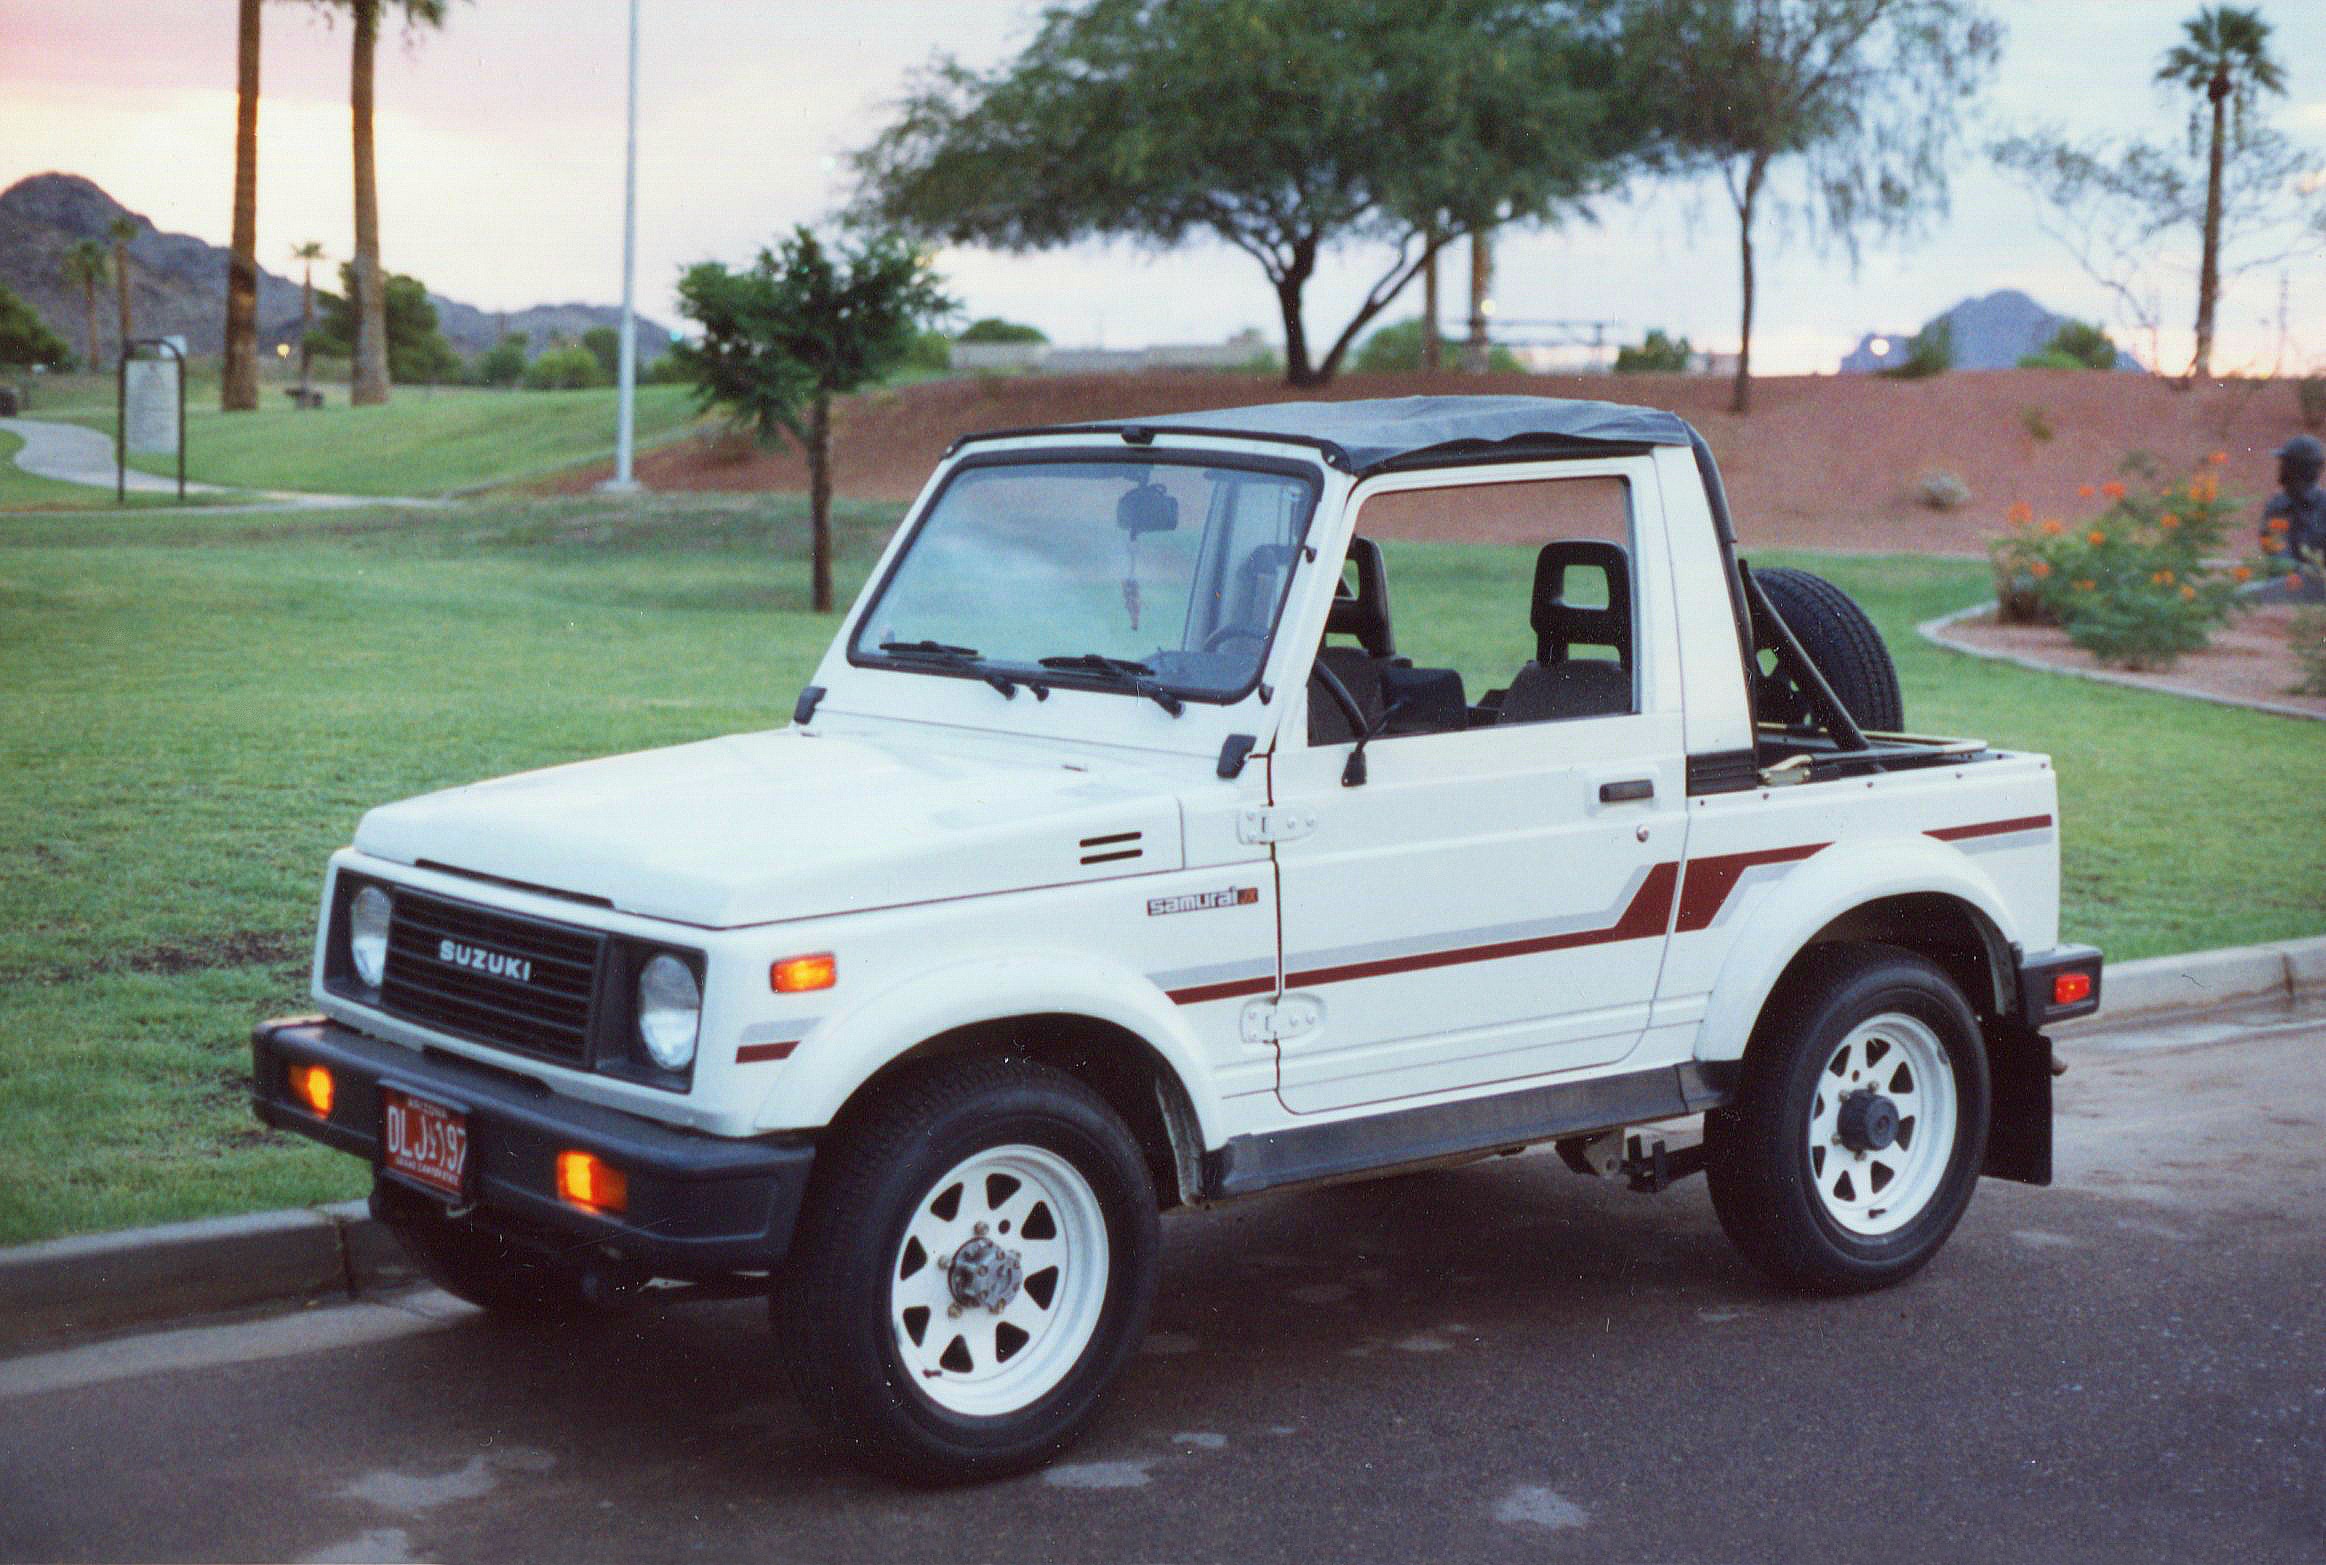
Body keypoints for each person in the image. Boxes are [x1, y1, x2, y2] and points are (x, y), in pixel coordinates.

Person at [2261, 434, 2326, 580]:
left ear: (2298, 469)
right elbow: (2277, 555)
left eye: (2285, 463)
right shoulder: (2277, 507)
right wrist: (2305, 572)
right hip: (2284, 592)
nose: (2281, 469)